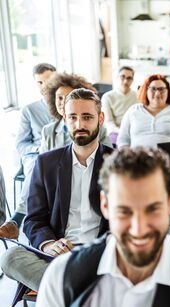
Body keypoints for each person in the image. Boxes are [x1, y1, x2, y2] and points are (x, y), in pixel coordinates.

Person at [36, 147, 170, 307]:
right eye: (124, 211)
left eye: (152, 209)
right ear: (105, 205)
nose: (139, 229)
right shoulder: (61, 276)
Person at [0, 88, 113, 291]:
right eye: (73, 117)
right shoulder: (45, 163)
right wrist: (48, 244)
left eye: (87, 117)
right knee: (10, 257)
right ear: (64, 118)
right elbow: (34, 219)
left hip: (100, 253)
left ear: (100, 118)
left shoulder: (120, 164)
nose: (79, 125)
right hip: (56, 255)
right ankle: (82, 293)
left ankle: (62, 292)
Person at [0, 63, 56, 239]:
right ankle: (17, 220)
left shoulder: (67, 105)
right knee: (36, 165)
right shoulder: (29, 110)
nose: (44, 86)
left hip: (63, 153)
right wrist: (38, 149)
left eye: (48, 81)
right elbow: (21, 144)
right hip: (36, 155)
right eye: (40, 82)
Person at [40, 72, 112, 152]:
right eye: (60, 98)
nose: (63, 102)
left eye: (68, 97)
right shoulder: (48, 131)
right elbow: (43, 162)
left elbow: (109, 159)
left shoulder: (98, 129)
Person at [117, 74, 170, 147]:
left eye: (161, 89)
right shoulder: (133, 111)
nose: (157, 93)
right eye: (153, 89)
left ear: (168, 91)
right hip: (137, 160)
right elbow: (122, 141)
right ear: (146, 91)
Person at [101, 66, 137, 143]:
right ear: (117, 77)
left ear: (132, 80)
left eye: (129, 78)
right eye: (122, 77)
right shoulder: (107, 97)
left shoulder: (138, 97)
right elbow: (109, 122)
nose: (125, 81)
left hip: (134, 131)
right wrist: (122, 132)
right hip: (115, 131)